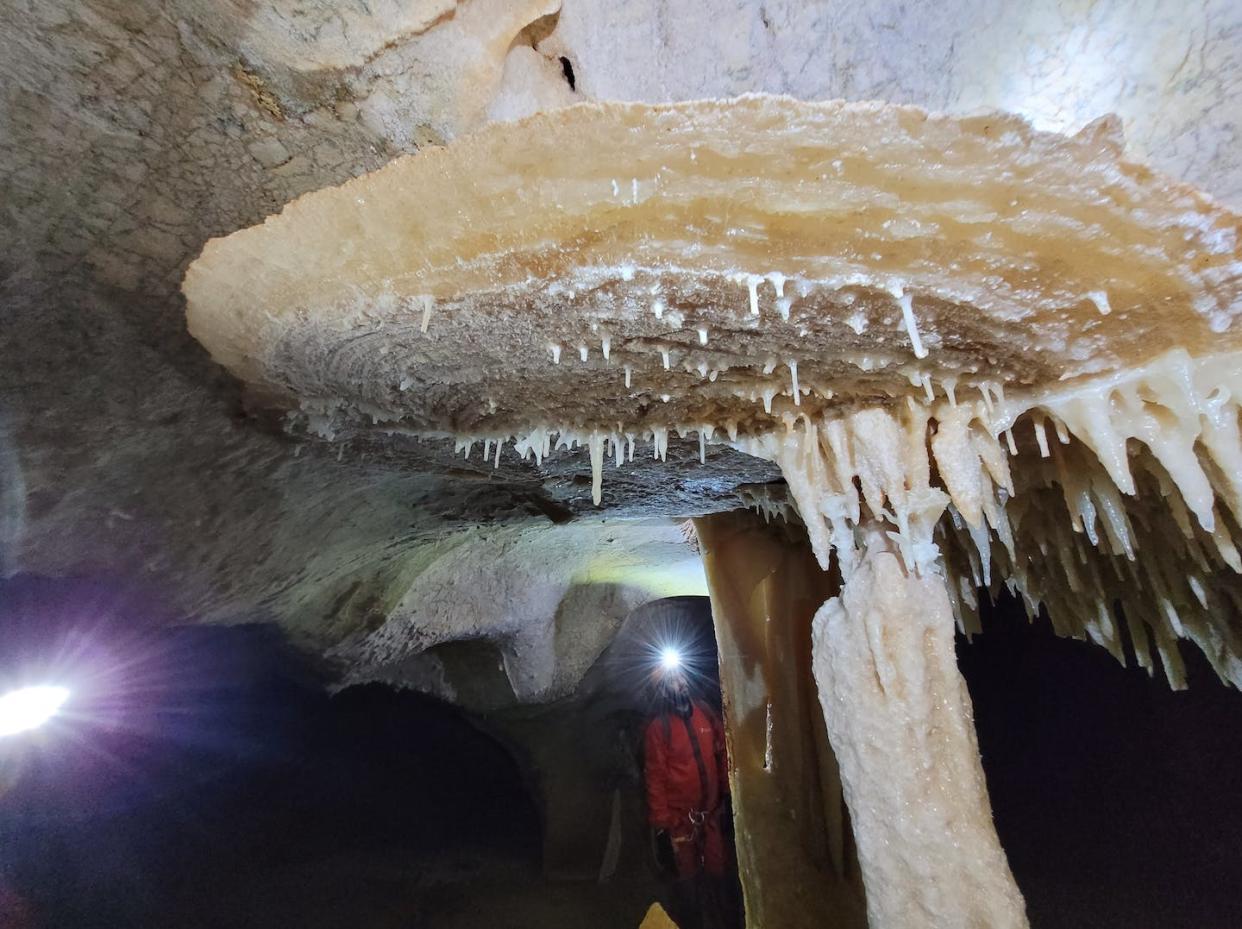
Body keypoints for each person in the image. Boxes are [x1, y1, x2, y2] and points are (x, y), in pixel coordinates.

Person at [643, 667, 740, 929]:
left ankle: (727, 920)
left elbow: (723, 752)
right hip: (680, 823)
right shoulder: (658, 729)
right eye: (673, 681)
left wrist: (729, 795)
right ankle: (693, 922)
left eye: (681, 677)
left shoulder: (704, 713)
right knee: (688, 879)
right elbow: (655, 778)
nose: (681, 683)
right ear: (662, 691)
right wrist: (662, 826)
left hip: (710, 814)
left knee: (720, 871)